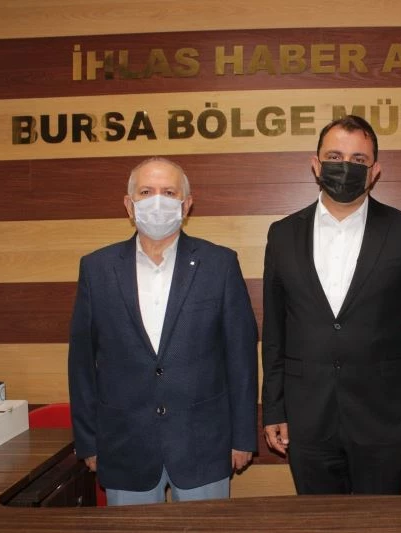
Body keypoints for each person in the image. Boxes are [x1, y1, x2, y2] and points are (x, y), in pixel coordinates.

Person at [261, 115, 401, 495]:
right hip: (307, 419)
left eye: (359, 159)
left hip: (386, 420)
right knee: (320, 521)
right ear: (316, 164)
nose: (346, 166)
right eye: (335, 156)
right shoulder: (282, 235)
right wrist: (273, 408)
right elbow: (274, 334)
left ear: (375, 171)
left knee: (385, 522)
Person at [68, 157, 258, 506]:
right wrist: (89, 442)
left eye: (169, 192)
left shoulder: (220, 264)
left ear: (187, 204)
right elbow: (81, 364)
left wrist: (243, 437)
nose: (157, 201)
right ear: (129, 205)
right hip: (125, 448)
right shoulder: (97, 268)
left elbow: (241, 358)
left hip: (204, 446)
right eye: (146, 192)